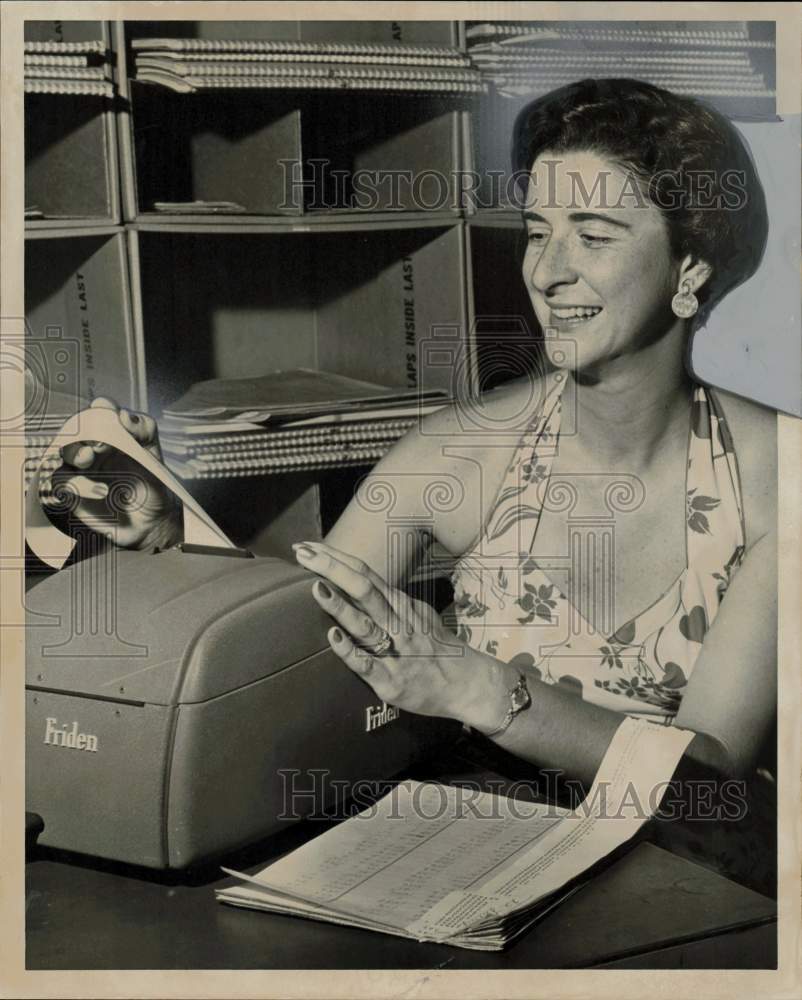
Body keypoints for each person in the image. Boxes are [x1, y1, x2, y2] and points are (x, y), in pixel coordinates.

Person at [43, 79, 777, 894]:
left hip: (688, 885)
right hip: (473, 857)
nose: (547, 271)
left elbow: (712, 780)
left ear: (691, 267)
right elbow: (303, 633)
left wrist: (477, 683)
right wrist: (169, 548)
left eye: (594, 235)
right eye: (537, 231)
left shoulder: (779, 475)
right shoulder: (457, 452)